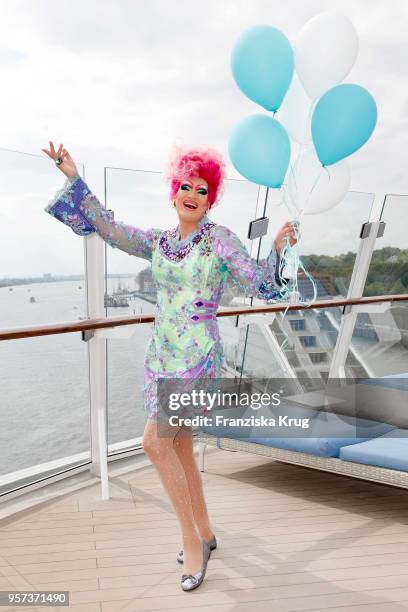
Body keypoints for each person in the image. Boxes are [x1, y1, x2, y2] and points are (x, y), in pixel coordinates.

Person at [42, 140, 297, 591]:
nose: (192, 195)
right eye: (185, 186)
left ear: (210, 199)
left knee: (153, 443)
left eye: (202, 190)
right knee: (176, 446)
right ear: (173, 191)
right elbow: (110, 229)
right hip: (160, 355)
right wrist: (72, 178)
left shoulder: (219, 240)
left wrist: (277, 250)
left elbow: (259, 281)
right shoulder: (159, 243)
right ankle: (204, 530)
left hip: (197, 358)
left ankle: (191, 543)